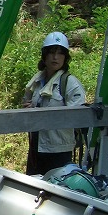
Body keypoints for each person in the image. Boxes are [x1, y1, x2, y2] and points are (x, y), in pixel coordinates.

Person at [23, 31, 86, 175]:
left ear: (66, 57)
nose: (55, 57)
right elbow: (27, 103)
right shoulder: (37, 81)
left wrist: (41, 112)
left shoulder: (70, 84)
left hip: (59, 149)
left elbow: (77, 118)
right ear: (44, 55)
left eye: (60, 53)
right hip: (36, 146)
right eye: (51, 52)